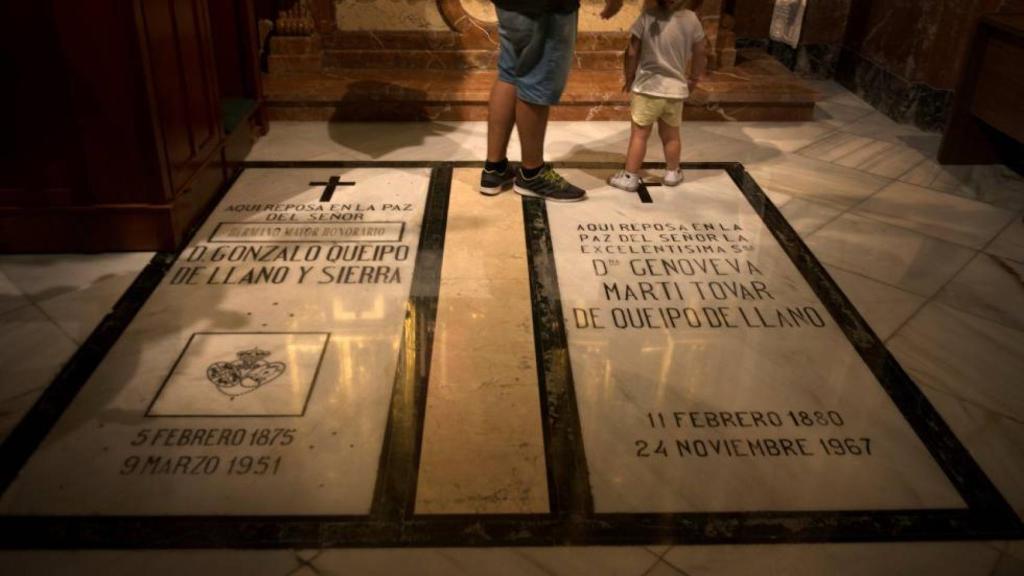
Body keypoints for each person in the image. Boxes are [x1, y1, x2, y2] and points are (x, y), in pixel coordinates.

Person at [480, 0, 624, 202]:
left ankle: (494, 168)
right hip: (547, 8)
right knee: (538, 79)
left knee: (510, 72)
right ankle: (532, 174)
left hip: (509, 5)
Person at [608, 0, 707, 192]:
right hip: (675, 90)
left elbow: (632, 51)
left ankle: (630, 176)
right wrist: (694, 79)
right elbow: (701, 51)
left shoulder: (647, 16)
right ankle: (672, 172)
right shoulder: (692, 19)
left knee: (639, 135)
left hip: (647, 89)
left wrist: (629, 77)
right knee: (671, 136)